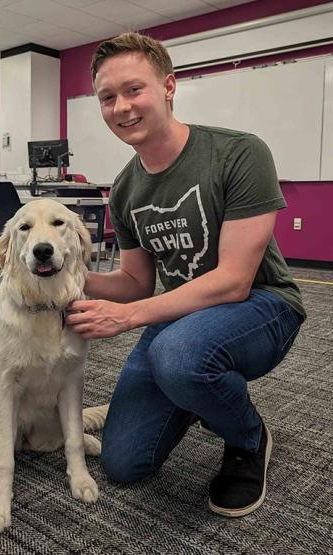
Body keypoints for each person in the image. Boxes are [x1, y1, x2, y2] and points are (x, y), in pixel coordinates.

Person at [65, 32, 306, 518]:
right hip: (182, 315)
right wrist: (62, 276)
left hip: (261, 306)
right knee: (123, 462)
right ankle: (195, 388)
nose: (121, 107)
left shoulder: (238, 153)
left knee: (178, 355)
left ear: (169, 86)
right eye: (107, 97)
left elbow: (235, 279)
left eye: (134, 89)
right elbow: (135, 281)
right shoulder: (125, 190)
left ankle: (247, 436)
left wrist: (130, 317)